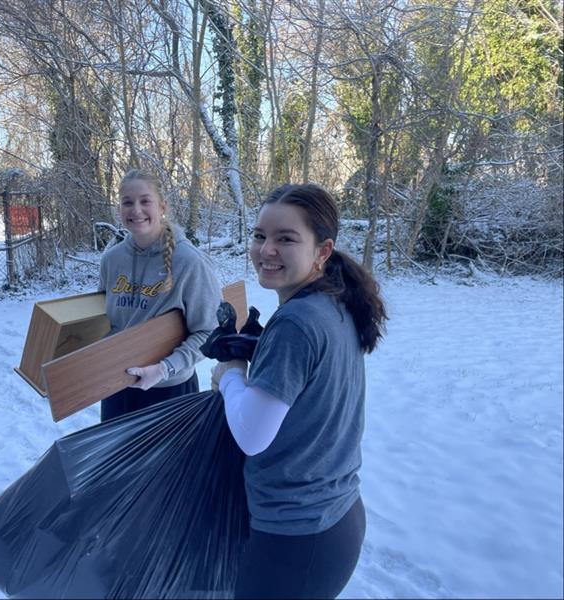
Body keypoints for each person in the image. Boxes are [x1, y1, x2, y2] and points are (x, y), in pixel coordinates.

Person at [210, 183, 388, 600]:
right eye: (259, 236)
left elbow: (253, 435)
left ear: (322, 251)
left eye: (286, 238)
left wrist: (232, 373)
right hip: (336, 518)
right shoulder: (334, 301)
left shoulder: (296, 322)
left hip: (295, 538)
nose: (265, 249)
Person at [99, 169, 222, 422]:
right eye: (127, 202)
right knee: (120, 462)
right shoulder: (111, 260)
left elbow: (209, 332)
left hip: (170, 391)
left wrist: (164, 369)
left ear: (162, 206)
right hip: (116, 388)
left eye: (145, 201)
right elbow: (103, 322)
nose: (136, 210)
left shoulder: (189, 262)